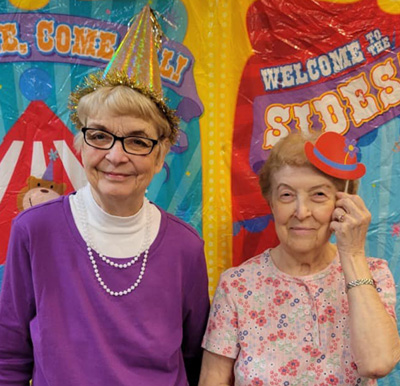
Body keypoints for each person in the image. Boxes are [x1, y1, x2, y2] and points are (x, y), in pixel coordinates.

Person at [0, 5, 209, 386]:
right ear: (80, 142)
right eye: (100, 135)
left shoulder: (185, 247)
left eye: (137, 141)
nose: (116, 155)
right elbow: (10, 356)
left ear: (161, 153)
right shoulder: (35, 231)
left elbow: (196, 360)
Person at [199, 132, 400, 385]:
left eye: (318, 195)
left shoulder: (373, 274)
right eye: (286, 195)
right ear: (271, 203)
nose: (301, 212)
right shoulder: (236, 286)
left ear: (343, 204)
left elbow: (377, 363)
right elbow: (212, 380)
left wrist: (352, 254)